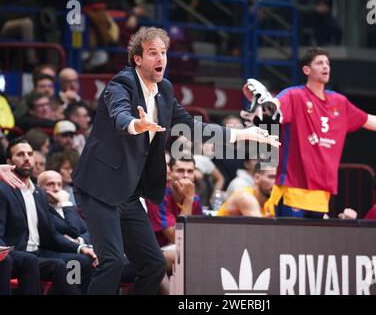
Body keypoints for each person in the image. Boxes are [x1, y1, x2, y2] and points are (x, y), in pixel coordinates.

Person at [72, 26, 279, 295]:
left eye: (164, 53)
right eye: (152, 53)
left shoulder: (165, 91)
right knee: (111, 261)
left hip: (128, 193)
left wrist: (241, 134)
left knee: (154, 264)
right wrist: (137, 124)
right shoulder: (121, 83)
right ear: (137, 58)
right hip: (98, 188)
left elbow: (193, 127)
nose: (160, 59)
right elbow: (119, 114)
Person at [242, 48, 376, 218]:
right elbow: (273, 109)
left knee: (309, 254)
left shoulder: (339, 103)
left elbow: (370, 120)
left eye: (327, 63)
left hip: (321, 194)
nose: (325, 66)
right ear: (307, 70)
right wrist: (263, 102)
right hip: (293, 189)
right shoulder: (294, 95)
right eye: (319, 63)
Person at [0, 138, 98, 294]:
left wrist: (79, 247)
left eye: (30, 154)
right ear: (9, 161)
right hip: (17, 253)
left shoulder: (39, 194)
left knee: (80, 262)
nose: (27, 158)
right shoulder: (4, 190)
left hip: (39, 252)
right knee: (54, 264)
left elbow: (52, 234)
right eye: (20, 154)